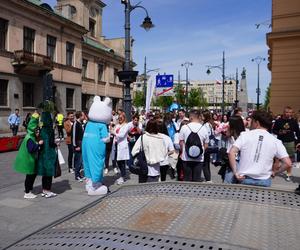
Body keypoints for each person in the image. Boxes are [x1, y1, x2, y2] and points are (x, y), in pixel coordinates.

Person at [229, 110, 292, 187]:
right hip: (264, 180)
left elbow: (231, 152)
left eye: (252, 120)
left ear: (257, 122)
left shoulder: (245, 135)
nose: (250, 122)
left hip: (244, 178)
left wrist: (235, 172)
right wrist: (275, 172)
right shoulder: (275, 141)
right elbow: (288, 163)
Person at [82, 96, 112, 195]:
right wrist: (109, 137)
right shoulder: (102, 125)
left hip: (86, 145)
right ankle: (95, 186)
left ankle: (89, 183)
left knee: (87, 162)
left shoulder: (89, 124)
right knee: (96, 162)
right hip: (96, 147)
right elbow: (106, 139)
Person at [13, 113, 43, 199]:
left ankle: (29, 189)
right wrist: (38, 144)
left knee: (32, 175)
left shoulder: (31, 136)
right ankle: (27, 192)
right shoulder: (30, 138)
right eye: (36, 130)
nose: (38, 131)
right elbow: (31, 149)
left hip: (31, 160)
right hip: (29, 160)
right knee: (29, 176)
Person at [179, 109, 209, 182]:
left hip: (186, 157)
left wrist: (183, 151)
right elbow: (206, 145)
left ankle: (187, 193)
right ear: (199, 117)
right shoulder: (204, 128)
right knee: (197, 179)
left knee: (187, 178)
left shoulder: (184, 127)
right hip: (199, 158)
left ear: (191, 117)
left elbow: (181, 142)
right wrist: (200, 152)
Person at [273, 106, 300, 181]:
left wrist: (298, 142)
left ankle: (288, 174)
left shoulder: (294, 121)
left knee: (290, 158)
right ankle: (274, 172)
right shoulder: (278, 121)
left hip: (290, 142)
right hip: (280, 142)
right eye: (287, 112)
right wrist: (280, 132)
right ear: (284, 112)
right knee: (277, 158)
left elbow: (298, 132)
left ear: (292, 113)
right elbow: (274, 130)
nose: (288, 114)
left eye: (290, 113)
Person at [37, 111, 58, 198]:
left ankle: (44, 190)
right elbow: (51, 143)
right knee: (49, 173)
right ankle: (48, 191)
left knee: (44, 173)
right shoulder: (50, 130)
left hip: (42, 154)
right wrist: (56, 144)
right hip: (49, 153)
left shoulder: (41, 129)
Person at [223, 116, 245, 183]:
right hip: (236, 159)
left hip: (235, 159)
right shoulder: (243, 133)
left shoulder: (243, 134)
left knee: (229, 182)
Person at [112, 111, 131, 185]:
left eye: (121, 117)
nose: (119, 119)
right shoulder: (117, 125)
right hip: (116, 144)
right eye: (119, 117)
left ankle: (123, 176)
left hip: (122, 145)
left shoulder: (126, 125)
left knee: (122, 162)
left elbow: (122, 135)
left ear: (124, 118)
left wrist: (113, 133)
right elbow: (113, 132)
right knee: (117, 161)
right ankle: (122, 175)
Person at [72, 111, 85, 182]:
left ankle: (79, 174)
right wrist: (75, 146)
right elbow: (74, 136)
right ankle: (76, 176)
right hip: (78, 144)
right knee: (78, 160)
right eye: (83, 115)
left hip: (81, 143)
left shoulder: (80, 123)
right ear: (80, 116)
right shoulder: (75, 124)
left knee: (80, 160)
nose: (84, 116)